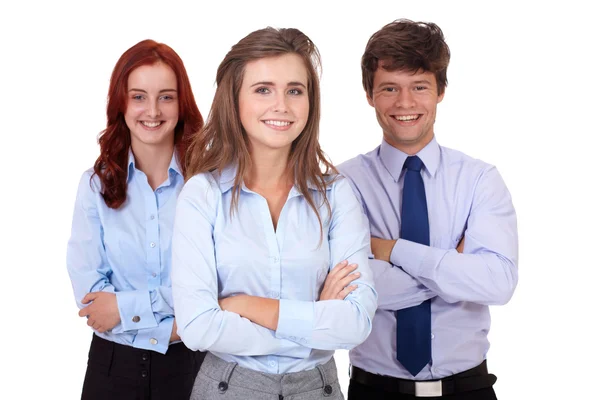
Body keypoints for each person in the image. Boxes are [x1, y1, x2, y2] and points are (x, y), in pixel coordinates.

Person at [171, 27, 377, 400]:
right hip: (228, 387)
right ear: (234, 100)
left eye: (294, 90)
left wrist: (245, 306)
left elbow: (356, 323)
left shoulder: (336, 194)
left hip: (318, 389)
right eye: (263, 89)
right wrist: (312, 322)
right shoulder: (202, 195)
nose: (281, 105)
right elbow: (198, 326)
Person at [337, 19, 518, 399]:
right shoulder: (341, 185)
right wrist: (451, 265)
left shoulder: (479, 180)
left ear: (441, 91)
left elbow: (497, 283)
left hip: (468, 388)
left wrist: (392, 251)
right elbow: (353, 291)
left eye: (419, 87)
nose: (405, 103)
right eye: (390, 88)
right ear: (370, 94)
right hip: (374, 391)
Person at [66, 39, 205, 400]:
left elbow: (215, 286)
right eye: (139, 96)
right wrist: (177, 324)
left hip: (196, 367)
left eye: (166, 96)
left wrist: (123, 309)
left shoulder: (209, 185)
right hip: (112, 369)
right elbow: (92, 299)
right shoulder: (95, 185)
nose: (152, 110)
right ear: (121, 103)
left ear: (182, 103)